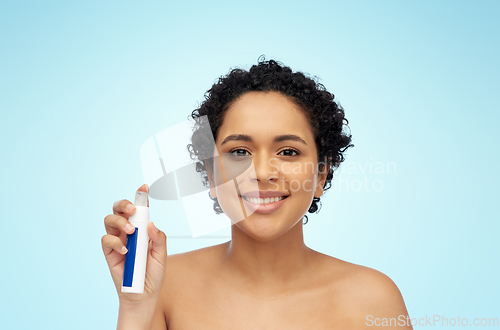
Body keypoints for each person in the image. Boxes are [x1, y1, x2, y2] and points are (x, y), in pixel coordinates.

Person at [102, 58, 413, 329]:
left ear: (321, 173)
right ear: (211, 174)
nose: (262, 172)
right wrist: (135, 308)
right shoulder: (163, 284)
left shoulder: (373, 301)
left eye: (289, 151)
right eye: (239, 151)